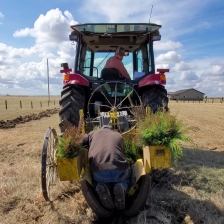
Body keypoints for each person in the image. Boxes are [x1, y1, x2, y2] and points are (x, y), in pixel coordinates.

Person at [82, 125, 130, 210]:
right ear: (111, 130)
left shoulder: (93, 134)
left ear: (101, 128)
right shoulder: (118, 135)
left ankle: (102, 186)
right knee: (127, 174)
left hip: (99, 172)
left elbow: (82, 140)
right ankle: (121, 186)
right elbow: (123, 154)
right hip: (118, 171)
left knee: (98, 180)